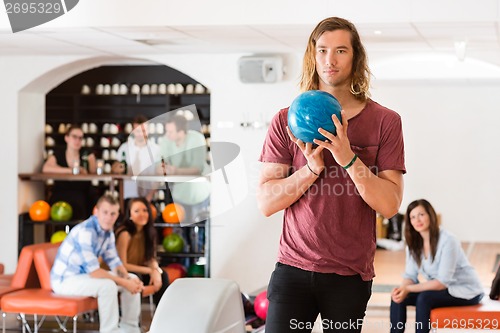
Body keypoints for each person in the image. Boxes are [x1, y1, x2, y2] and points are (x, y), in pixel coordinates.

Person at [257, 17, 406, 333]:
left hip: (349, 276)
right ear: (312, 55)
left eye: (340, 50)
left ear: (356, 57)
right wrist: (311, 169)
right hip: (292, 270)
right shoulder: (285, 120)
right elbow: (266, 203)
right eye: (322, 50)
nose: (330, 60)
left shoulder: (385, 121)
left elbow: (390, 204)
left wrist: (348, 157)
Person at [50, 194, 144, 333]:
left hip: (84, 276)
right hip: (65, 280)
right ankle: (109, 331)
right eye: (105, 212)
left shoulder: (107, 232)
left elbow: (115, 262)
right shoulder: (85, 232)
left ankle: (131, 329)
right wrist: (125, 282)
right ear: (96, 211)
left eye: (113, 213)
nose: (108, 217)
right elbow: (95, 272)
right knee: (107, 286)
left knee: (133, 278)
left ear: (117, 215)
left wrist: (129, 279)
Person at [390, 199, 483, 333]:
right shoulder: (413, 244)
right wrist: (403, 289)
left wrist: (409, 288)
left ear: (430, 215)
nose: (417, 220)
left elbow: (442, 283)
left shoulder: (448, 240)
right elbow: (410, 275)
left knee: (424, 298)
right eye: (413, 217)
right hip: (442, 289)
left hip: (465, 291)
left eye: (421, 214)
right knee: (397, 297)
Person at [115, 197, 169, 306]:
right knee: (136, 277)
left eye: (145, 210)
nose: (142, 214)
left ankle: (162, 315)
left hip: (139, 270)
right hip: (122, 272)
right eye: (136, 211)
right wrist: (150, 271)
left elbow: (151, 258)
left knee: (164, 275)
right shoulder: (124, 234)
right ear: (129, 214)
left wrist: (155, 270)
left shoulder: (149, 232)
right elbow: (123, 265)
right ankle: (134, 319)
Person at [158, 114, 210, 225]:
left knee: (199, 227)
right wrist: (163, 169)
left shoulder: (197, 139)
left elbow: (197, 169)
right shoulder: (166, 141)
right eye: (166, 131)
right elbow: (161, 164)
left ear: (181, 132)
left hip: (199, 194)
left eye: (170, 132)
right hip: (179, 194)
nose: (167, 135)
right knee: (180, 229)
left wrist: (175, 171)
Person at [42, 124, 97, 220]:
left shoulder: (86, 153)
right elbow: (46, 168)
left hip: (82, 192)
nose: (77, 141)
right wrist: (71, 171)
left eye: (80, 138)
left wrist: (90, 162)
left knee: (85, 199)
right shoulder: (59, 153)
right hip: (62, 191)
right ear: (67, 138)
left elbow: (94, 172)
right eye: (74, 137)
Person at [112, 115, 160, 205]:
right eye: (138, 131)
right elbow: (115, 167)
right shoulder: (125, 148)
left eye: (144, 130)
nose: (141, 133)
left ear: (148, 130)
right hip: (129, 195)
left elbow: (159, 175)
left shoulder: (156, 149)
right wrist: (119, 168)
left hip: (149, 197)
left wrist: (149, 196)